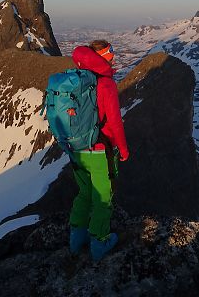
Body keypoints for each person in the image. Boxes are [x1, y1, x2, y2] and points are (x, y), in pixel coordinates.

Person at [68, 40, 129, 261]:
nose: (113, 59)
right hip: (100, 149)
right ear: (103, 56)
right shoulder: (105, 83)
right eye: (111, 55)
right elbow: (114, 121)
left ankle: (76, 239)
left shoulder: (77, 78)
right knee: (103, 197)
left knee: (84, 193)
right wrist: (122, 149)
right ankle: (99, 242)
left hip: (76, 148)